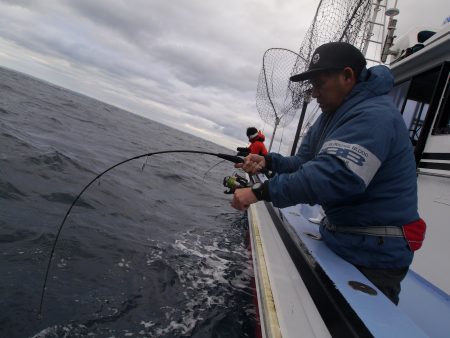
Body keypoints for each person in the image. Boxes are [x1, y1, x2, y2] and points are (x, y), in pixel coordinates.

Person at [231, 42, 426, 305]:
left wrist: (259, 192)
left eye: (319, 83)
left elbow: (334, 177)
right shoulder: (328, 116)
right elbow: (303, 162)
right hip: (340, 238)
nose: (313, 93)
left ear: (348, 76)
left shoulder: (375, 115)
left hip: (375, 254)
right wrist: (267, 163)